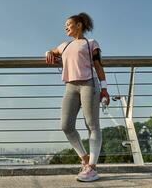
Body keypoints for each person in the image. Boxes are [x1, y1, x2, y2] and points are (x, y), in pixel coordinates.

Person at [45, 12, 110, 182]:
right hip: (70, 86)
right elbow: (54, 50)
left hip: (89, 84)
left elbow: (98, 65)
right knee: (66, 125)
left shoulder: (90, 43)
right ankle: (84, 159)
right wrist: (48, 52)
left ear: (79, 25)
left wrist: (104, 89)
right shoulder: (64, 45)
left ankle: (93, 168)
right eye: (65, 25)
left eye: (69, 24)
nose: (66, 27)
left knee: (92, 125)